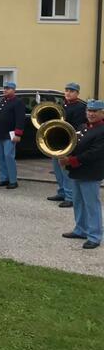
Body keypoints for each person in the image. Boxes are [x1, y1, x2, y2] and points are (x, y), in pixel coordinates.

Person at [60, 99, 104, 249]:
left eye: (94, 111)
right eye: (89, 111)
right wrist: (63, 152)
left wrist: (71, 160)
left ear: (102, 113)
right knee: (78, 203)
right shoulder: (83, 127)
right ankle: (81, 230)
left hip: (91, 172)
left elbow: (95, 153)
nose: (91, 114)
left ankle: (95, 236)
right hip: (77, 171)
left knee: (92, 205)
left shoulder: (102, 130)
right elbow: (74, 144)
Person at [48, 82, 87, 208]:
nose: (68, 93)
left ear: (77, 93)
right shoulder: (63, 105)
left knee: (66, 171)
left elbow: (79, 126)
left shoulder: (80, 107)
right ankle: (62, 192)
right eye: (67, 90)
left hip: (69, 142)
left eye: (71, 91)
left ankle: (70, 197)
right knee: (57, 169)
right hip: (58, 141)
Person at [0, 82, 25, 189]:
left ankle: (13, 180)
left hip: (9, 134)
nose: (5, 90)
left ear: (13, 90)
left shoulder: (18, 102)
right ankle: (4, 178)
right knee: (0, 157)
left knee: (8, 156)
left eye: (8, 88)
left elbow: (20, 119)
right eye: (4, 88)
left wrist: (18, 134)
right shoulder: (0, 100)